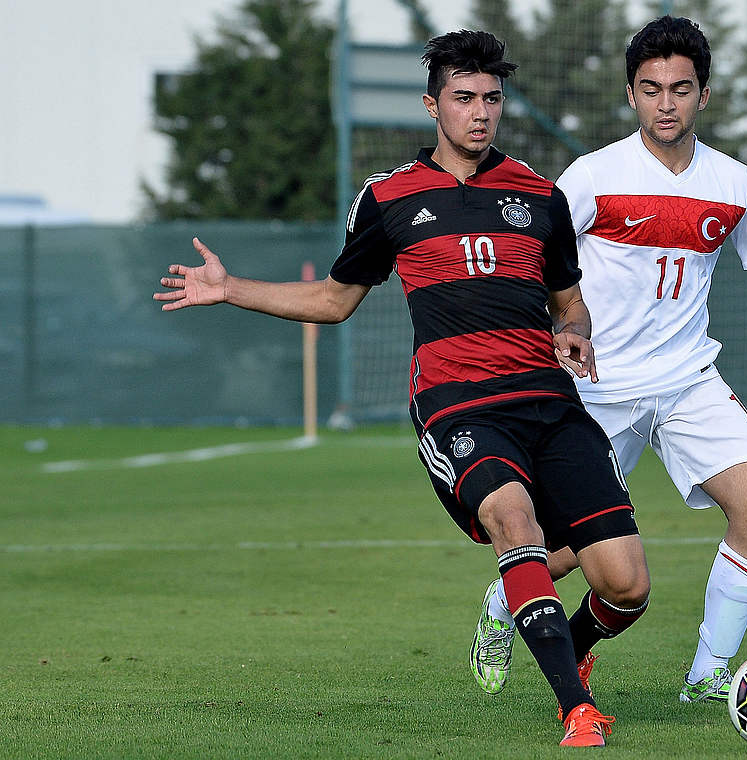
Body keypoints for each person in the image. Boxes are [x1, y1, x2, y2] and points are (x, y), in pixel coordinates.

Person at [154, 30, 649, 748]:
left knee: (625, 585)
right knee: (516, 523)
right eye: (463, 98)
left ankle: (555, 639)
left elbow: (569, 300)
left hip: (548, 397)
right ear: (432, 105)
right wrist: (231, 289)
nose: (480, 113)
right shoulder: (389, 198)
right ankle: (576, 708)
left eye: (491, 99)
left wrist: (576, 328)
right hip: (457, 403)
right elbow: (331, 300)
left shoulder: (540, 196)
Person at [469, 16, 747, 705]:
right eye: (651, 89)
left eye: (681, 88)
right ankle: (504, 606)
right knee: (565, 546)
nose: (666, 103)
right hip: (596, 387)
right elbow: (539, 264)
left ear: (703, 95)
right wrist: (550, 336)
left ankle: (708, 673)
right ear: (631, 95)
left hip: (686, 381)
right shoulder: (593, 176)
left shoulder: (735, 183)